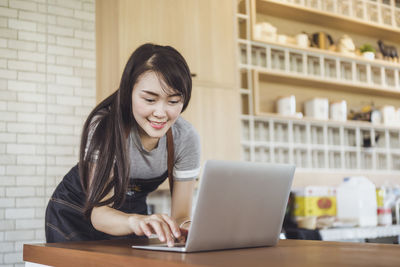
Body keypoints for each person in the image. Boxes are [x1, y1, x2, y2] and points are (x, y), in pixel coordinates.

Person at [45, 43, 201, 247]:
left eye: (173, 102)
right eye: (150, 99)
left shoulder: (185, 137)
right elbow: (99, 214)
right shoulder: (105, 127)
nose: (161, 113)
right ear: (129, 92)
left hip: (131, 215)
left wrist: (187, 229)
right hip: (75, 213)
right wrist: (136, 221)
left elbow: (181, 216)